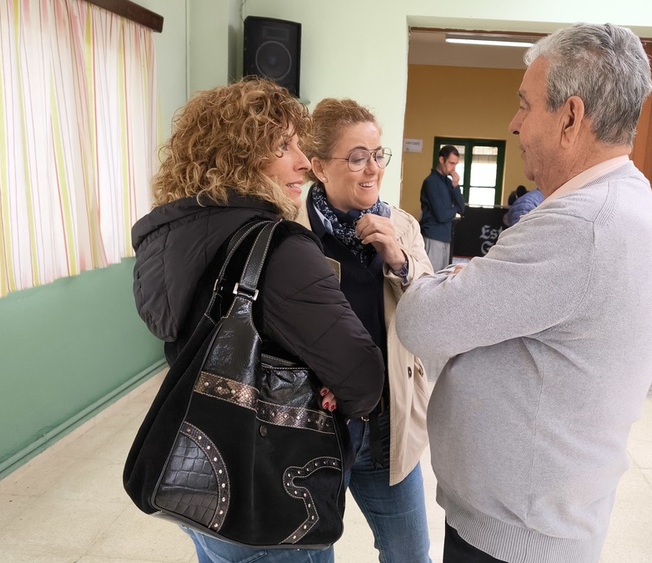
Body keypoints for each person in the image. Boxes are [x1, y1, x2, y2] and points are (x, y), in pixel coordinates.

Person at [396, 23, 652, 563]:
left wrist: (439, 279)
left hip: (517, 538)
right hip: (530, 517)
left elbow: (422, 322)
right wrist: (469, 282)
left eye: (525, 105)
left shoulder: (581, 225)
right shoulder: (613, 201)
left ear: (570, 116)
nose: (514, 123)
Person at [130, 78, 385, 563]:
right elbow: (362, 376)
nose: (304, 163)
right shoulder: (280, 248)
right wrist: (336, 388)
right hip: (268, 494)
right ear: (239, 155)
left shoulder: (164, 238)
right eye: (284, 145)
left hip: (198, 480)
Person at [300, 98, 435, 563]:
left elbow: (432, 307)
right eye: (357, 157)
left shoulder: (401, 226)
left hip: (385, 424)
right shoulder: (291, 234)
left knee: (410, 555)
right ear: (318, 166)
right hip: (311, 429)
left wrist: (397, 258)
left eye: (378, 155)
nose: (372, 169)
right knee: (313, 555)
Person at [419, 144, 466, 270]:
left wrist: (456, 186)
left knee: (442, 278)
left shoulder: (448, 181)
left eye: (456, 164)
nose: (453, 168)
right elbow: (441, 215)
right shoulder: (431, 182)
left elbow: (462, 208)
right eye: (451, 163)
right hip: (433, 236)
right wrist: (455, 210)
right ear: (441, 160)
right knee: (431, 277)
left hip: (446, 236)